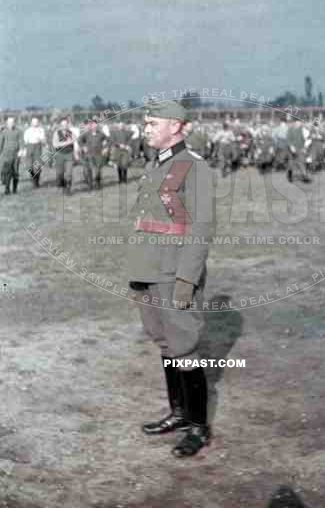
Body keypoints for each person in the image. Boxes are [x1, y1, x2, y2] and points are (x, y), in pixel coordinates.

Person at [128, 100, 214, 458]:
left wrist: (185, 280)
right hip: (147, 269)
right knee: (165, 343)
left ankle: (198, 427)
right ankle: (178, 413)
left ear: (176, 126)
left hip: (173, 271)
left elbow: (201, 228)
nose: (145, 128)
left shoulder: (194, 168)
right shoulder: (156, 165)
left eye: (152, 123)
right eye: (145, 123)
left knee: (185, 348)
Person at [52, 118, 80, 194]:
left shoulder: (71, 133)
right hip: (60, 155)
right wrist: (66, 143)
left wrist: (76, 154)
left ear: (68, 125)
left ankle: (68, 189)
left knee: (69, 173)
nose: (64, 126)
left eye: (66, 124)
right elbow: (55, 145)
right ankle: (62, 184)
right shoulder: (57, 133)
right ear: (60, 125)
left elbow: (75, 143)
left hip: (69, 154)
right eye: (63, 124)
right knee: (60, 173)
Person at [79, 121, 109, 189]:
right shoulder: (86, 134)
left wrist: (106, 148)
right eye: (92, 126)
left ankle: (98, 183)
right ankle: (90, 184)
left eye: (95, 125)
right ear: (90, 126)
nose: (94, 127)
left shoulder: (101, 134)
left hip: (98, 154)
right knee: (89, 169)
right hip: (89, 154)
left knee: (98, 170)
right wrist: (83, 147)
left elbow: (108, 140)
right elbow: (79, 140)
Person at [0, 117, 24, 195]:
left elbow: (21, 141)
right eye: (9, 122)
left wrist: (21, 150)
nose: (11, 124)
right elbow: (1, 143)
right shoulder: (3, 131)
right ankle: (7, 189)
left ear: (14, 123)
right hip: (6, 154)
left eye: (12, 122)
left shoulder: (18, 131)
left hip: (16, 154)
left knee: (15, 171)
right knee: (7, 171)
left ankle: (15, 189)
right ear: (7, 123)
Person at [23, 116, 47, 188]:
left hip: (37, 147)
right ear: (31, 123)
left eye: (36, 122)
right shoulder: (28, 131)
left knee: (37, 165)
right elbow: (25, 141)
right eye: (33, 122)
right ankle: (33, 179)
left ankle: (36, 181)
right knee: (29, 166)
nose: (35, 123)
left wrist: (42, 139)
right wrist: (24, 150)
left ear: (38, 123)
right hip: (29, 147)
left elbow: (43, 140)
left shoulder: (41, 130)